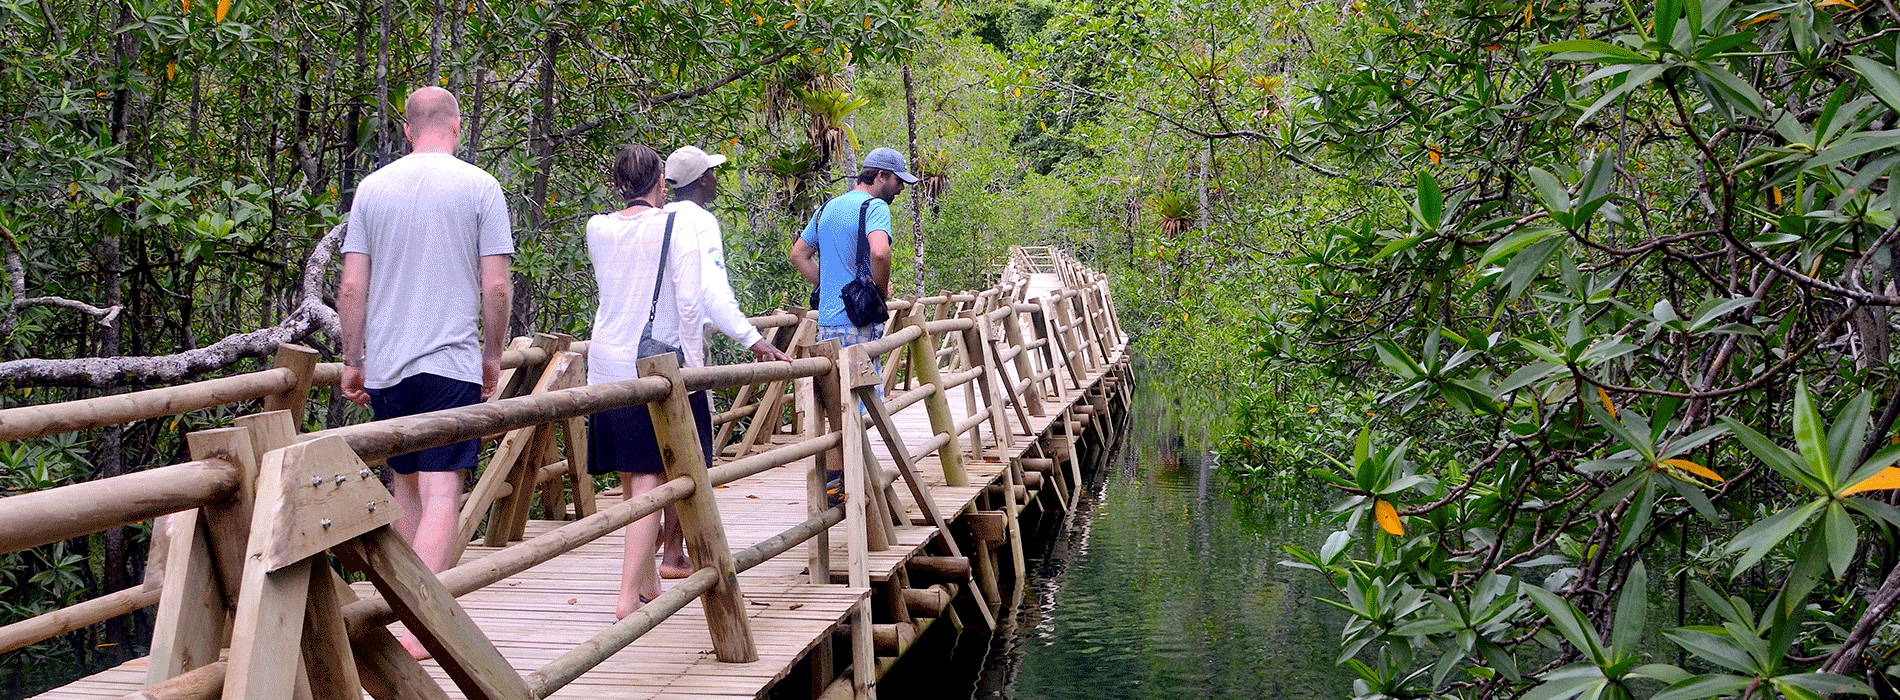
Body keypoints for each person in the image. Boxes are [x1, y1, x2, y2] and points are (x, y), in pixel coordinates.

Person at [338, 86, 513, 658]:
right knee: (444, 496)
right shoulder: (480, 187)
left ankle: (395, 615)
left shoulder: (372, 189)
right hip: (448, 361)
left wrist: (354, 359)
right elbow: (496, 285)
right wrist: (492, 354)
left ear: (408, 131)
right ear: (456, 127)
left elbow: (352, 285)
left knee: (407, 492)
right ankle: (418, 625)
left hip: (388, 366)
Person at [654, 145, 792, 578]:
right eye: (712, 173)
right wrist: (755, 341)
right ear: (699, 182)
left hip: (639, 355)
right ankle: (674, 552)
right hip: (680, 359)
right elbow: (713, 292)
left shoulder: (655, 218)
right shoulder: (700, 222)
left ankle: (653, 558)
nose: (717, 179)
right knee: (689, 455)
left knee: (649, 465)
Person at [789, 147, 916, 349]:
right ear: (881, 176)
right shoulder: (875, 206)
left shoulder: (826, 207)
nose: (901, 188)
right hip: (859, 323)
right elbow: (880, 253)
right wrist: (879, 293)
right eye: (898, 181)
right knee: (866, 381)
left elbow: (798, 255)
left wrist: (833, 287)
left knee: (835, 380)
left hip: (826, 325)